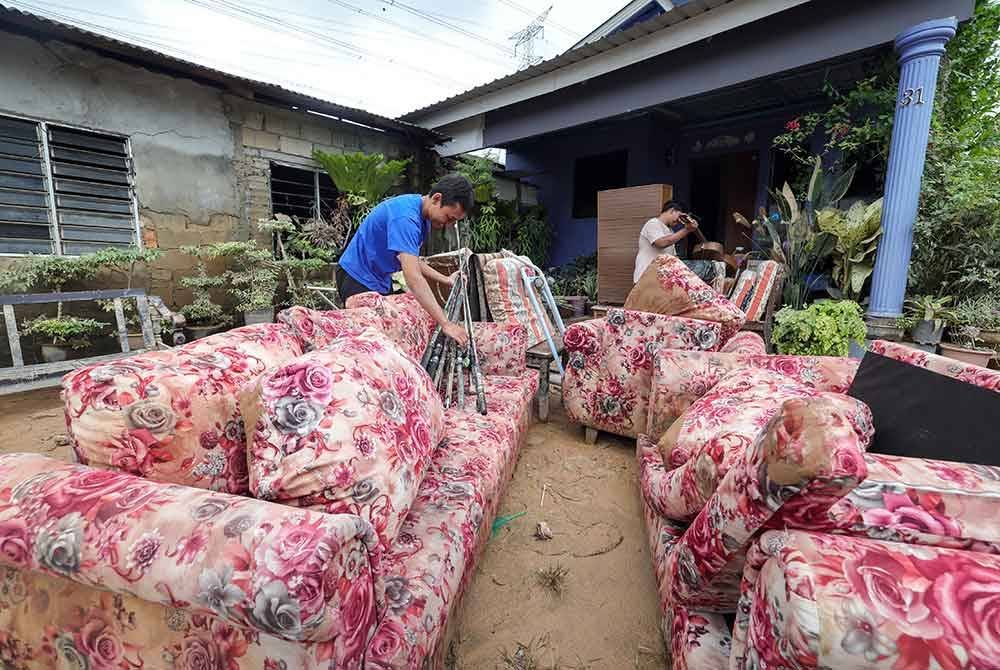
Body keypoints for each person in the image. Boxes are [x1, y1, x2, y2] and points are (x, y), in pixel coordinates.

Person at [337, 173, 473, 346]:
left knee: (387, 335)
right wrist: (445, 323)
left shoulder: (421, 214)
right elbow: (413, 277)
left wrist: (446, 279)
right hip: (357, 277)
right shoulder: (406, 219)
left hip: (378, 279)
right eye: (449, 217)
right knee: (369, 342)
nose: (448, 224)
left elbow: (411, 260)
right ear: (437, 199)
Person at [632, 200, 699, 283]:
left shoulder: (670, 231)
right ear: (672, 211)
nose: (679, 221)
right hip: (646, 276)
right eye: (679, 216)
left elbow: (673, 258)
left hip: (659, 278)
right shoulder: (653, 223)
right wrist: (687, 230)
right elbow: (661, 243)